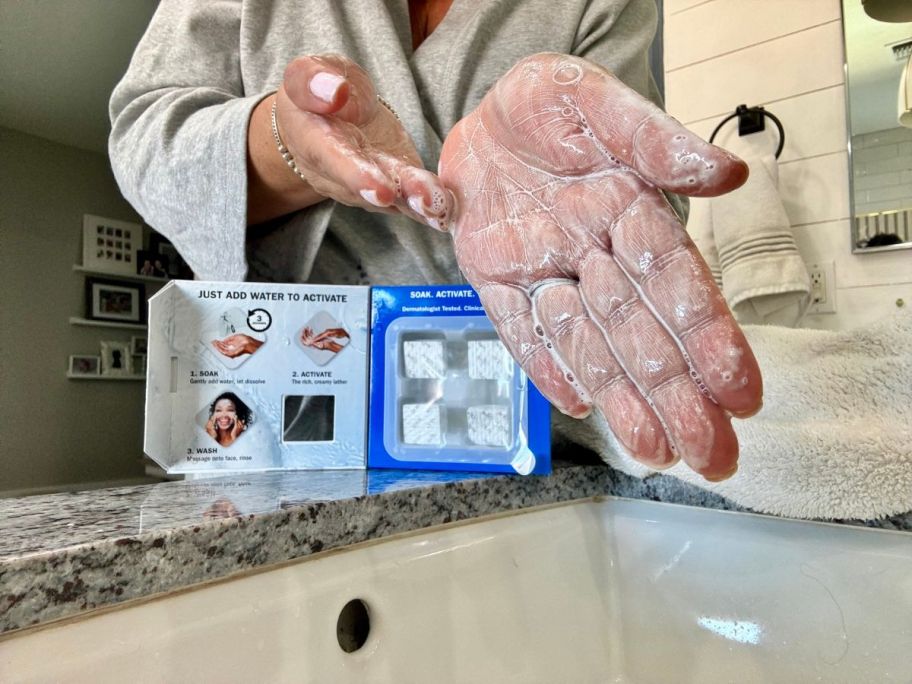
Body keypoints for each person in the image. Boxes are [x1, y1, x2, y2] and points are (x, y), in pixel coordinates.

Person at [110, 0, 762, 482]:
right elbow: (145, 138)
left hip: (522, 428)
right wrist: (288, 148)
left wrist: (586, 168)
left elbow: (636, 225)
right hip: (290, 421)